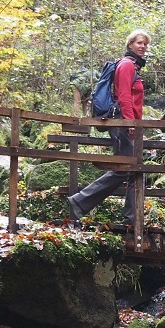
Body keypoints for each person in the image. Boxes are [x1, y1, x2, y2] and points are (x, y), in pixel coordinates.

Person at [68, 29, 150, 225]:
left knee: (134, 169)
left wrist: (136, 125)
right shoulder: (126, 65)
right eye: (139, 43)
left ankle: (131, 219)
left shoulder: (134, 67)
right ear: (130, 44)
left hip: (130, 123)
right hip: (122, 122)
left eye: (145, 44)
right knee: (126, 168)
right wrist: (130, 122)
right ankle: (80, 201)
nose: (143, 47)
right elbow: (124, 96)